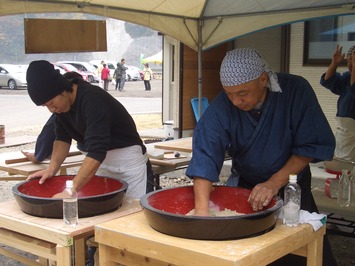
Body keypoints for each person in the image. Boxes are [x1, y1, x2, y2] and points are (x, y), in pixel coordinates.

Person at [185, 48, 337, 265]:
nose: (236, 101)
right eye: (229, 93)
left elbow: (309, 146)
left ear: (263, 79)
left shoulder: (295, 90)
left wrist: (274, 183)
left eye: (242, 93)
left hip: (291, 187)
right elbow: (205, 152)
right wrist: (201, 212)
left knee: (300, 251)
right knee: (251, 252)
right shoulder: (223, 104)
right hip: (246, 189)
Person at [25, 60, 154, 200]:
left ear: (62, 89)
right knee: (108, 213)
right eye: (45, 106)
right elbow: (62, 138)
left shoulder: (92, 100)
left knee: (133, 214)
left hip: (129, 164)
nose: (52, 109)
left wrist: (71, 190)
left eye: (51, 103)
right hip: (101, 164)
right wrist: (51, 169)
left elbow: (97, 149)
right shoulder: (62, 108)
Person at [21, 71, 84, 163]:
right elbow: (58, 135)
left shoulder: (88, 101)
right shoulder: (62, 107)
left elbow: (50, 130)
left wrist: (38, 156)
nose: (51, 109)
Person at [320, 44, 355, 165]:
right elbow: (329, 82)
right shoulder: (348, 76)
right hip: (343, 130)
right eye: (349, 60)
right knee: (342, 164)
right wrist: (334, 63)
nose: (351, 64)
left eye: (354, 61)